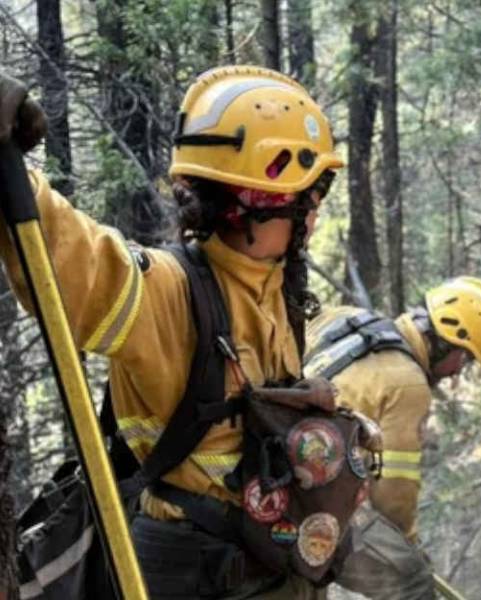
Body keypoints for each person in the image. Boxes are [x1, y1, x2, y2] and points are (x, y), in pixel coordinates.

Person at [0, 65, 345, 598]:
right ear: (268, 201)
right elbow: (71, 255)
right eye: (313, 194)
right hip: (193, 575)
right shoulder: (168, 295)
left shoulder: (277, 289)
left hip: (268, 568)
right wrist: (12, 174)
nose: (317, 212)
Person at [303, 276, 481, 600]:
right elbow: (393, 494)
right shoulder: (409, 384)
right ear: (447, 339)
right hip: (308, 499)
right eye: (465, 357)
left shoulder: (344, 319)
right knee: (411, 582)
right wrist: (409, 550)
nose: (458, 371)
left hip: (278, 464)